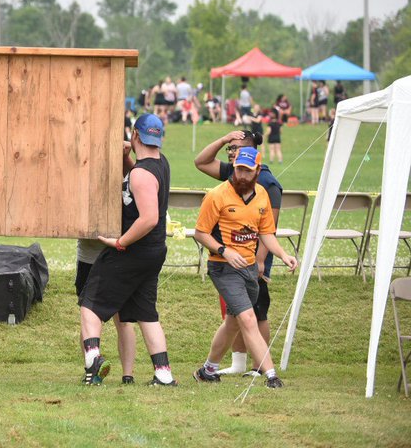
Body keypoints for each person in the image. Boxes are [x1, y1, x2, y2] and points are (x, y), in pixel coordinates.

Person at [78, 113, 176, 387]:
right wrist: (125, 159)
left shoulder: (141, 174)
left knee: (90, 304)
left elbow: (149, 218)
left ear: (134, 135)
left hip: (133, 251)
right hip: (154, 251)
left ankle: (93, 360)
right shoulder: (159, 163)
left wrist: (121, 242)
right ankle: (163, 374)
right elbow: (137, 182)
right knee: (147, 314)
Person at [192, 146, 298, 388]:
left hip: (249, 268)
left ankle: (208, 370)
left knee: (232, 323)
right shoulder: (217, 195)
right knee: (249, 319)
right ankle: (271, 376)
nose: (241, 175)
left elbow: (266, 233)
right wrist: (224, 251)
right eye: (239, 169)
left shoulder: (262, 195)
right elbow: (200, 233)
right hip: (223, 268)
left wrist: (283, 255)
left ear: (257, 171)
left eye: (247, 171)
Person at [76, 238, 139, 384]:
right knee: (117, 321)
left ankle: (94, 369)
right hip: (94, 257)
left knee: (94, 317)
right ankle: (125, 375)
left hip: (111, 258)